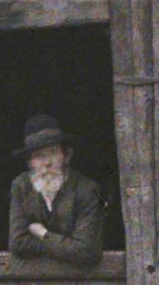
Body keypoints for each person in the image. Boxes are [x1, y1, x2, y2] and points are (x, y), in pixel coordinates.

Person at [7, 114, 104, 268]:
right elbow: (18, 243)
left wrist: (43, 234)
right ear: (30, 163)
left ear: (67, 155)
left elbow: (86, 251)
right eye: (38, 156)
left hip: (81, 282)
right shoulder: (21, 186)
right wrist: (65, 247)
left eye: (53, 152)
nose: (47, 163)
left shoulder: (86, 189)